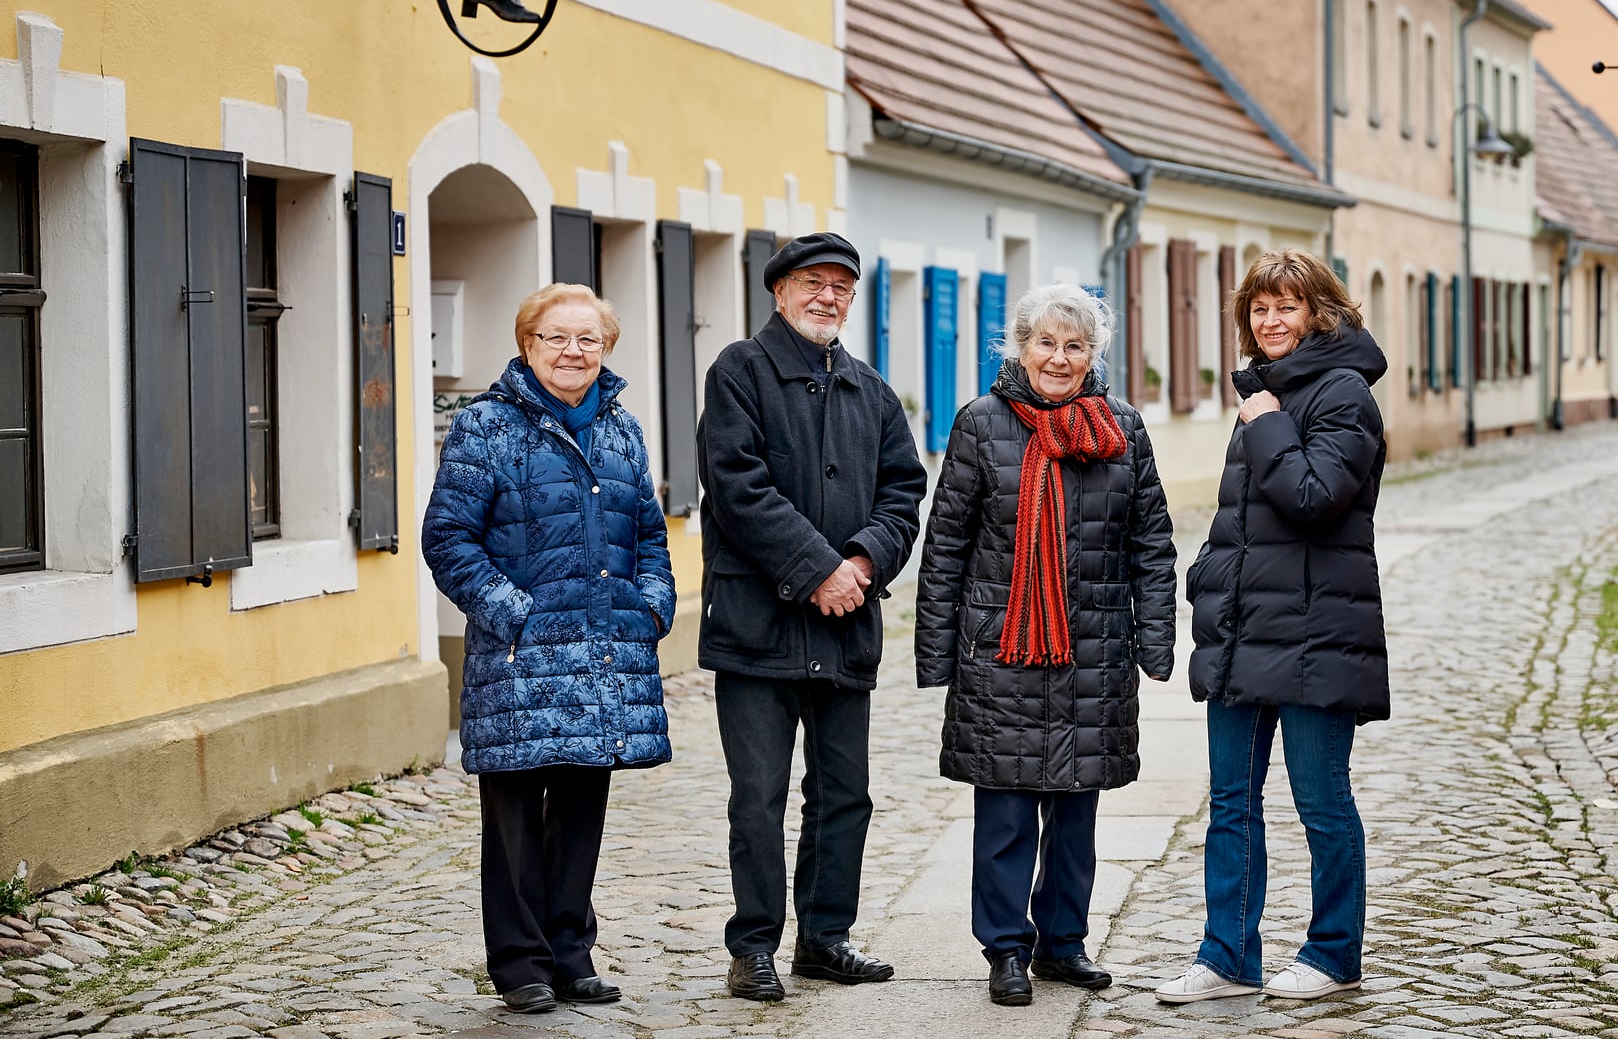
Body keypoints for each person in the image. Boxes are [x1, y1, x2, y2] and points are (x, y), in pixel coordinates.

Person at [917, 284, 1177, 1007]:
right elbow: (946, 547)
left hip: (1092, 653)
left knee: (1075, 815)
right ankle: (1006, 948)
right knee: (1004, 814)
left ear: (1092, 354)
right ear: (1020, 347)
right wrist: (939, 654)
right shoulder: (980, 424)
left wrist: (1154, 641)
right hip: (1002, 650)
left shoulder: (1122, 427)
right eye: (1045, 343)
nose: (1058, 358)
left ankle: (1063, 942)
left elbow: (1151, 543)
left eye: (1074, 345)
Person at [422, 283, 675, 1016]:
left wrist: (653, 603)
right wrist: (513, 614)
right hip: (520, 658)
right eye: (557, 337)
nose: (573, 351)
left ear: (606, 349)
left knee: (579, 810)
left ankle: (571, 953)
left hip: (602, 656)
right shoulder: (487, 427)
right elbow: (449, 537)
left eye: (588, 339)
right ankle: (521, 962)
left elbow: (650, 535)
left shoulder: (623, 428)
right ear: (528, 343)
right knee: (513, 821)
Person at [696, 232, 928, 1003]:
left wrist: (861, 561)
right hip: (756, 625)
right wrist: (817, 570)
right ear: (779, 291)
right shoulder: (739, 370)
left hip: (846, 621)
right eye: (812, 282)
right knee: (757, 795)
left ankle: (824, 938)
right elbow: (737, 485)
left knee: (843, 793)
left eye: (841, 285)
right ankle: (753, 945)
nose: (827, 296)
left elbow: (904, 490)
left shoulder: (871, 388)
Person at [1155, 249, 1390, 1006]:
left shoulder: (1343, 394)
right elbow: (1249, 519)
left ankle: (1333, 953)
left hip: (1318, 634)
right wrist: (1209, 576)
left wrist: (1264, 425)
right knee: (1231, 799)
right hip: (1245, 629)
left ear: (1320, 311)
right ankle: (1227, 954)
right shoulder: (1269, 392)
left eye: (1286, 306)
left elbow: (1316, 497)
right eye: (1259, 308)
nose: (1270, 320)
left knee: (1321, 798)